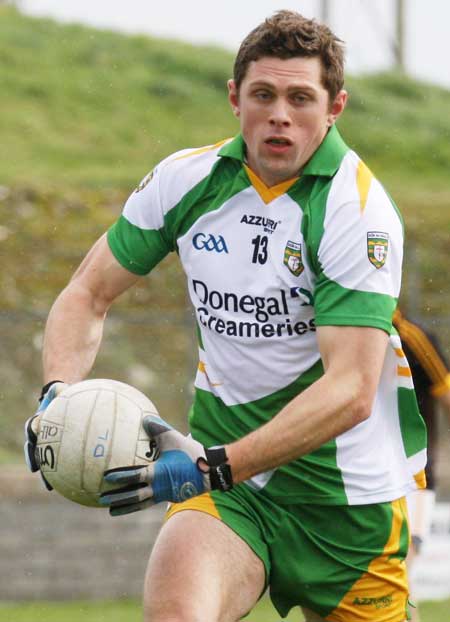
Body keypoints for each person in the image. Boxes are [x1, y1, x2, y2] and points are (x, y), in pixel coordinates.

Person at [24, 11, 427, 622]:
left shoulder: (357, 210)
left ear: (336, 106)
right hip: (231, 492)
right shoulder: (187, 180)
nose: (280, 115)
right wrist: (57, 395)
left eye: (301, 98)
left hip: (343, 505)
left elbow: (350, 391)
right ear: (235, 97)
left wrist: (213, 466)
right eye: (263, 95)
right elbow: (86, 293)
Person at [393, 308, 450, 622]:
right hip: (365, 478)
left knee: (400, 571)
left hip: (415, 479)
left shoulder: (411, 337)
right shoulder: (342, 330)